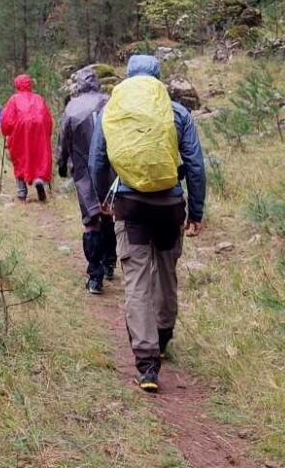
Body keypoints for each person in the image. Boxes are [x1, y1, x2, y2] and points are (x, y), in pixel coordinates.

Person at [89, 54, 205, 393]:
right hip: (170, 204)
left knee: (137, 278)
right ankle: (163, 336)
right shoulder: (177, 112)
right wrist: (196, 212)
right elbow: (195, 166)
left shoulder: (113, 110)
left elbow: (98, 160)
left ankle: (146, 362)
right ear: (159, 80)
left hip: (130, 203)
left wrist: (102, 200)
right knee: (166, 272)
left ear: (127, 77)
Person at [58, 65, 115, 293]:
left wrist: (61, 164)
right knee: (110, 216)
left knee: (91, 221)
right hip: (112, 170)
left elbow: (63, 140)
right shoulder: (111, 102)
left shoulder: (72, 108)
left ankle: (95, 275)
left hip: (84, 173)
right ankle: (110, 262)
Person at [0, 74, 54, 202]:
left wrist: (5, 132)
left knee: (20, 158)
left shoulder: (14, 99)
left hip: (20, 132)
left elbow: (7, 120)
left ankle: (22, 191)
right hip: (39, 132)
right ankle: (38, 180)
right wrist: (47, 134)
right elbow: (47, 119)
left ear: (17, 85)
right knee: (38, 157)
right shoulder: (39, 98)